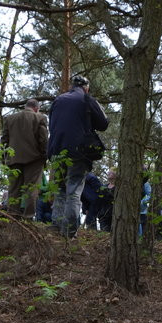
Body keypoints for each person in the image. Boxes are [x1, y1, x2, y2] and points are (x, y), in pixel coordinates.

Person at [48, 73, 109, 237]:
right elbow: (104, 123)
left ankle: (56, 226)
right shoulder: (87, 99)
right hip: (79, 152)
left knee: (60, 189)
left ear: (72, 86)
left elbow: (51, 125)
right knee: (73, 191)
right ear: (86, 87)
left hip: (57, 151)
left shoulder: (58, 100)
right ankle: (68, 232)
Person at [0, 98, 48, 218]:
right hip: (34, 159)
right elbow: (43, 140)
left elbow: (4, 140)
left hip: (13, 159)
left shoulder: (10, 119)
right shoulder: (40, 118)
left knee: (13, 189)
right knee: (31, 189)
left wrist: (5, 158)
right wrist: (44, 155)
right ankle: (28, 217)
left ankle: (12, 217)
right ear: (37, 109)